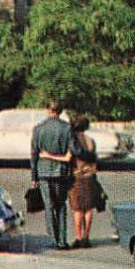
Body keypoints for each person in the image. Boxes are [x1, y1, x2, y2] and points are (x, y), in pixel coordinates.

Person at [30, 98, 75, 250]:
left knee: (48, 205)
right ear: (60, 111)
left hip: (43, 171)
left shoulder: (38, 129)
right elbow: (72, 151)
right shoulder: (67, 128)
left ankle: (53, 239)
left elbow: (34, 154)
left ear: (48, 110)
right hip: (61, 171)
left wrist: (34, 176)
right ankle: (62, 240)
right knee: (61, 205)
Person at [67, 114, 100, 248]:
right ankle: (87, 237)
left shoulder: (73, 142)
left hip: (77, 176)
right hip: (90, 175)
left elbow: (70, 158)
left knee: (77, 209)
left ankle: (78, 236)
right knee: (88, 208)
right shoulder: (91, 141)